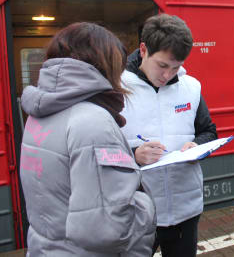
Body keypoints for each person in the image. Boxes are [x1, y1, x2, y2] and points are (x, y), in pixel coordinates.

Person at [19, 22, 156, 257]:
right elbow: (107, 230)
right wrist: (147, 205)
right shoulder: (93, 122)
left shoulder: (39, 114)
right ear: (106, 67)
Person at [120, 14, 217, 257]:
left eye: (176, 67)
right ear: (143, 49)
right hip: (136, 209)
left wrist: (197, 146)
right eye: (162, 66)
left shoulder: (191, 87)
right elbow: (99, 149)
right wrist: (134, 155)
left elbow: (209, 131)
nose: (168, 75)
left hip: (185, 208)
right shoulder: (117, 89)